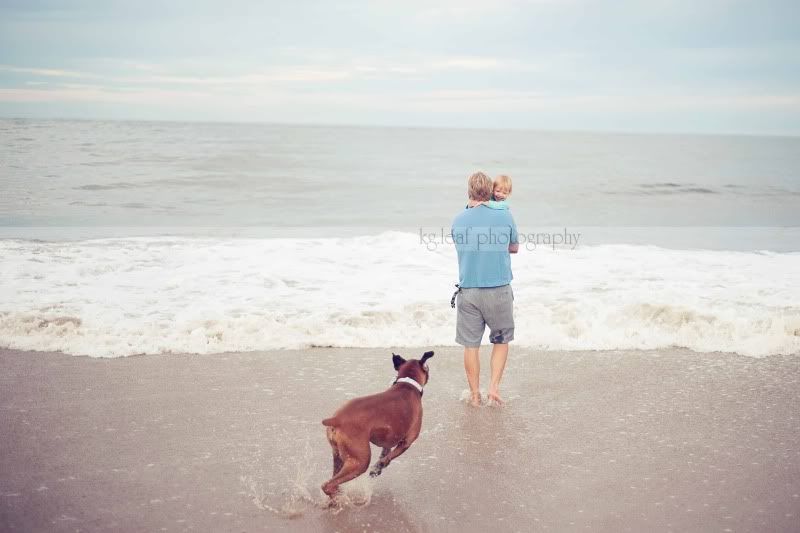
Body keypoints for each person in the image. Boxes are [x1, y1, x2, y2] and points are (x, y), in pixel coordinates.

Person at [451, 172, 519, 407]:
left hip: (468, 291)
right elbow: (514, 247)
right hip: (498, 289)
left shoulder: (458, 220)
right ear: (490, 190)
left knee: (471, 345)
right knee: (500, 340)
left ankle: (474, 394)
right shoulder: (505, 216)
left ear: (469, 191)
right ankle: (493, 389)